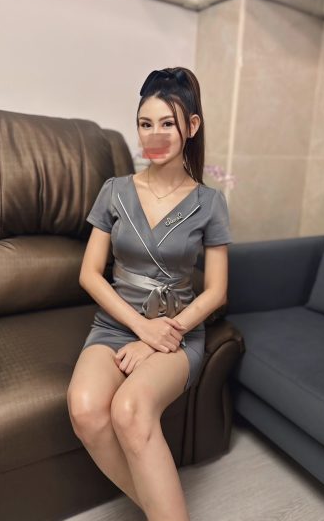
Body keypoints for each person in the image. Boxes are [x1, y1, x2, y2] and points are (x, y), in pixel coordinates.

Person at [67, 67, 232, 521]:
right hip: (117, 325)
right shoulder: (114, 191)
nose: (154, 135)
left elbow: (217, 291)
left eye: (166, 123)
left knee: (130, 409)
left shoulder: (210, 203)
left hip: (178, 331)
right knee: (85, 410)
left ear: (191, 127)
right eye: (145, 123)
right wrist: (141, 329)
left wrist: (163, 336)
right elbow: (89, 274)